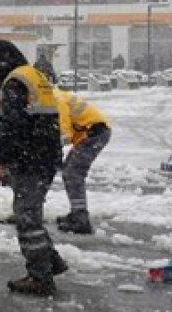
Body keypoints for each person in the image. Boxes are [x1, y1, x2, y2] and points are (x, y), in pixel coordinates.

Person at [0, 40, 67, 297]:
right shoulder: (34, 75)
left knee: (27, 217)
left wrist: (0, 160)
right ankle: (50, 260)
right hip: (46, 155)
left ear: (0, 64)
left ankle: (40, 277)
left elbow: (13, 126)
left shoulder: (15, 82)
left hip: (31, 158)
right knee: (30, 212)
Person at [55, 91, 110, 235]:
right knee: (69, 171)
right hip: (93, 132)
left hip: (94, 133)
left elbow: (64, 135)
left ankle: (80, 219)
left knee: (73, 173)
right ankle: (77, 212)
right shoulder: (55, 94)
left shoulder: (55, 100)